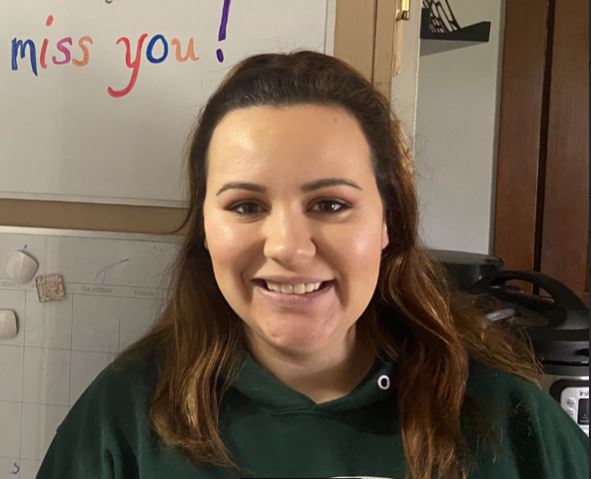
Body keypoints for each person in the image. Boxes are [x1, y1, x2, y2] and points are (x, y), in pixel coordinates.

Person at [37, 51, 588, 479]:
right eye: (245, 206)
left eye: (329, 205)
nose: (289, 247)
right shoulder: (126, 415)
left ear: (388, 221)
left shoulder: (507, 418)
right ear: (205, 229)